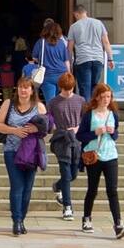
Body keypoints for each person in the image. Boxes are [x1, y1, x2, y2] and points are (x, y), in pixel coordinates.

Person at [77, 84, 124, 240]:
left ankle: (118, 224)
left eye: (108, 97)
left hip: (110, 155)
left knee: (112, 190)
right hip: (94, 156)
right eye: (103, 97)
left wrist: (113, 133)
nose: (106, 100)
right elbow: (79, 136)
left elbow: (116, 134)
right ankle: (87, 218)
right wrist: (94, 133)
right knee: (92, 189)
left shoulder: (113, 114)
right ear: (97, 97)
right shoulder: (89, 115)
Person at [0, 78, 48, 236]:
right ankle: (16, 220)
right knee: (17, 185)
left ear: (32, 90)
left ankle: (22, 218)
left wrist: (35, 129)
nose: (23, 91)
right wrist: (14, 130)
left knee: (27, 187)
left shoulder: (39, 107)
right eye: (20, 88)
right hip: (12, 150)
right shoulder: (8, 104)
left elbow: (48, 127)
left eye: (27, 88)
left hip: (31, 153)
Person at [46, 72, 84, 222]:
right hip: (61, 140)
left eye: (70, 88)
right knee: (66, 172)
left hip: (76, 141)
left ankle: (58, 186)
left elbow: (86, 120)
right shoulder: (54, 102)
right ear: (60, 87)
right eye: (65, 89)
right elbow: (49, 120)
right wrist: (55, 127)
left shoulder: (80, 100)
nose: (68, 92)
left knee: (73, 174)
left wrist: (78, 128)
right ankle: (67, 207)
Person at [67, 5, 111, 99]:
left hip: (83, 59)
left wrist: (69, 64)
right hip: (98, 59)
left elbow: (69, 48)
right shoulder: (99, 23)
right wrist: (110, 59)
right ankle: (93, 111)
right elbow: (106, 42)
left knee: (84, 89)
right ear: (85, 12)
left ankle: (87, 112)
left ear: (76, 14)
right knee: (94, 87)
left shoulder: (74, 26)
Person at [33, 19, 71, 101]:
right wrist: (69, 74)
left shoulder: (41, 42)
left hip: (47, 75)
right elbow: (66, 61)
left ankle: (51, 114)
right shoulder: (61, 43)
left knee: (50, 103)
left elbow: (34, 58)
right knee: (61, 101)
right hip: (62, 75)